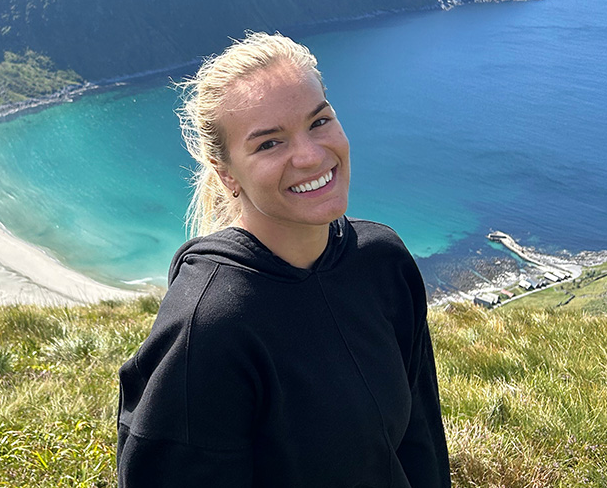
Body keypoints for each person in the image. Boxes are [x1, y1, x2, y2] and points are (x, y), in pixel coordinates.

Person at [117, 32, 451, 487]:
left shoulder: (382, 262)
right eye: (269, 144)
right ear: (226, 173)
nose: (311, 156)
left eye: (319, 122)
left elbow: (421, 442)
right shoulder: (209, 327)